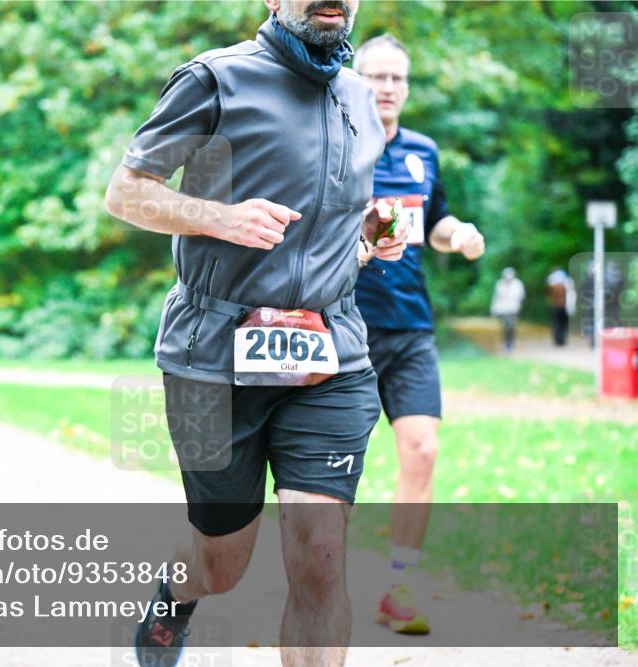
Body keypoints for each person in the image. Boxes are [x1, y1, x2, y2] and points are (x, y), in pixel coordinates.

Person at [104, 2, 409, 665]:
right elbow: (126, 192)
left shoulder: (361, 98)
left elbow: (341, 218)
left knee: (320, 556)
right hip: (212, 355)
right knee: (221, 561)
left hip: (330, 355)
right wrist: (219, 217)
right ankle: (176, 599)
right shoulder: (216, 79)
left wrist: (374, 232)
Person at [351, 33, 486, 635]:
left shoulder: (423, 152)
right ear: (356, 78)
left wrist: (457, 234)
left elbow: (433, 221)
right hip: (342, 324)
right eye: (376, 76)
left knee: (423, 450)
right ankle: (316, 579)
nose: (386, 88)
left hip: (409, 325)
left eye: (396, 79)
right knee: (331, 466)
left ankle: (398, 584)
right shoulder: (334, 142)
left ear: (406, 86)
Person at [490, 268, 526, 353]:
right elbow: (496, 297)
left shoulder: (518, 284)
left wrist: (519, 305)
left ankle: (511, 341)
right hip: (503, 309)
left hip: (513, 308)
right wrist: (494, 309)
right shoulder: (500, 284)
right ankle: (507, 343)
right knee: (505, 327)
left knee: (511, 326)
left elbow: (521, 296)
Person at [547, 267, 574, 347]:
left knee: (558, 323)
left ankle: (559, 340)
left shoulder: (552, 282)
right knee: (562, 323)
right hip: (562, 306)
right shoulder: (567, 282)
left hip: (557, 306)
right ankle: (561, 340)